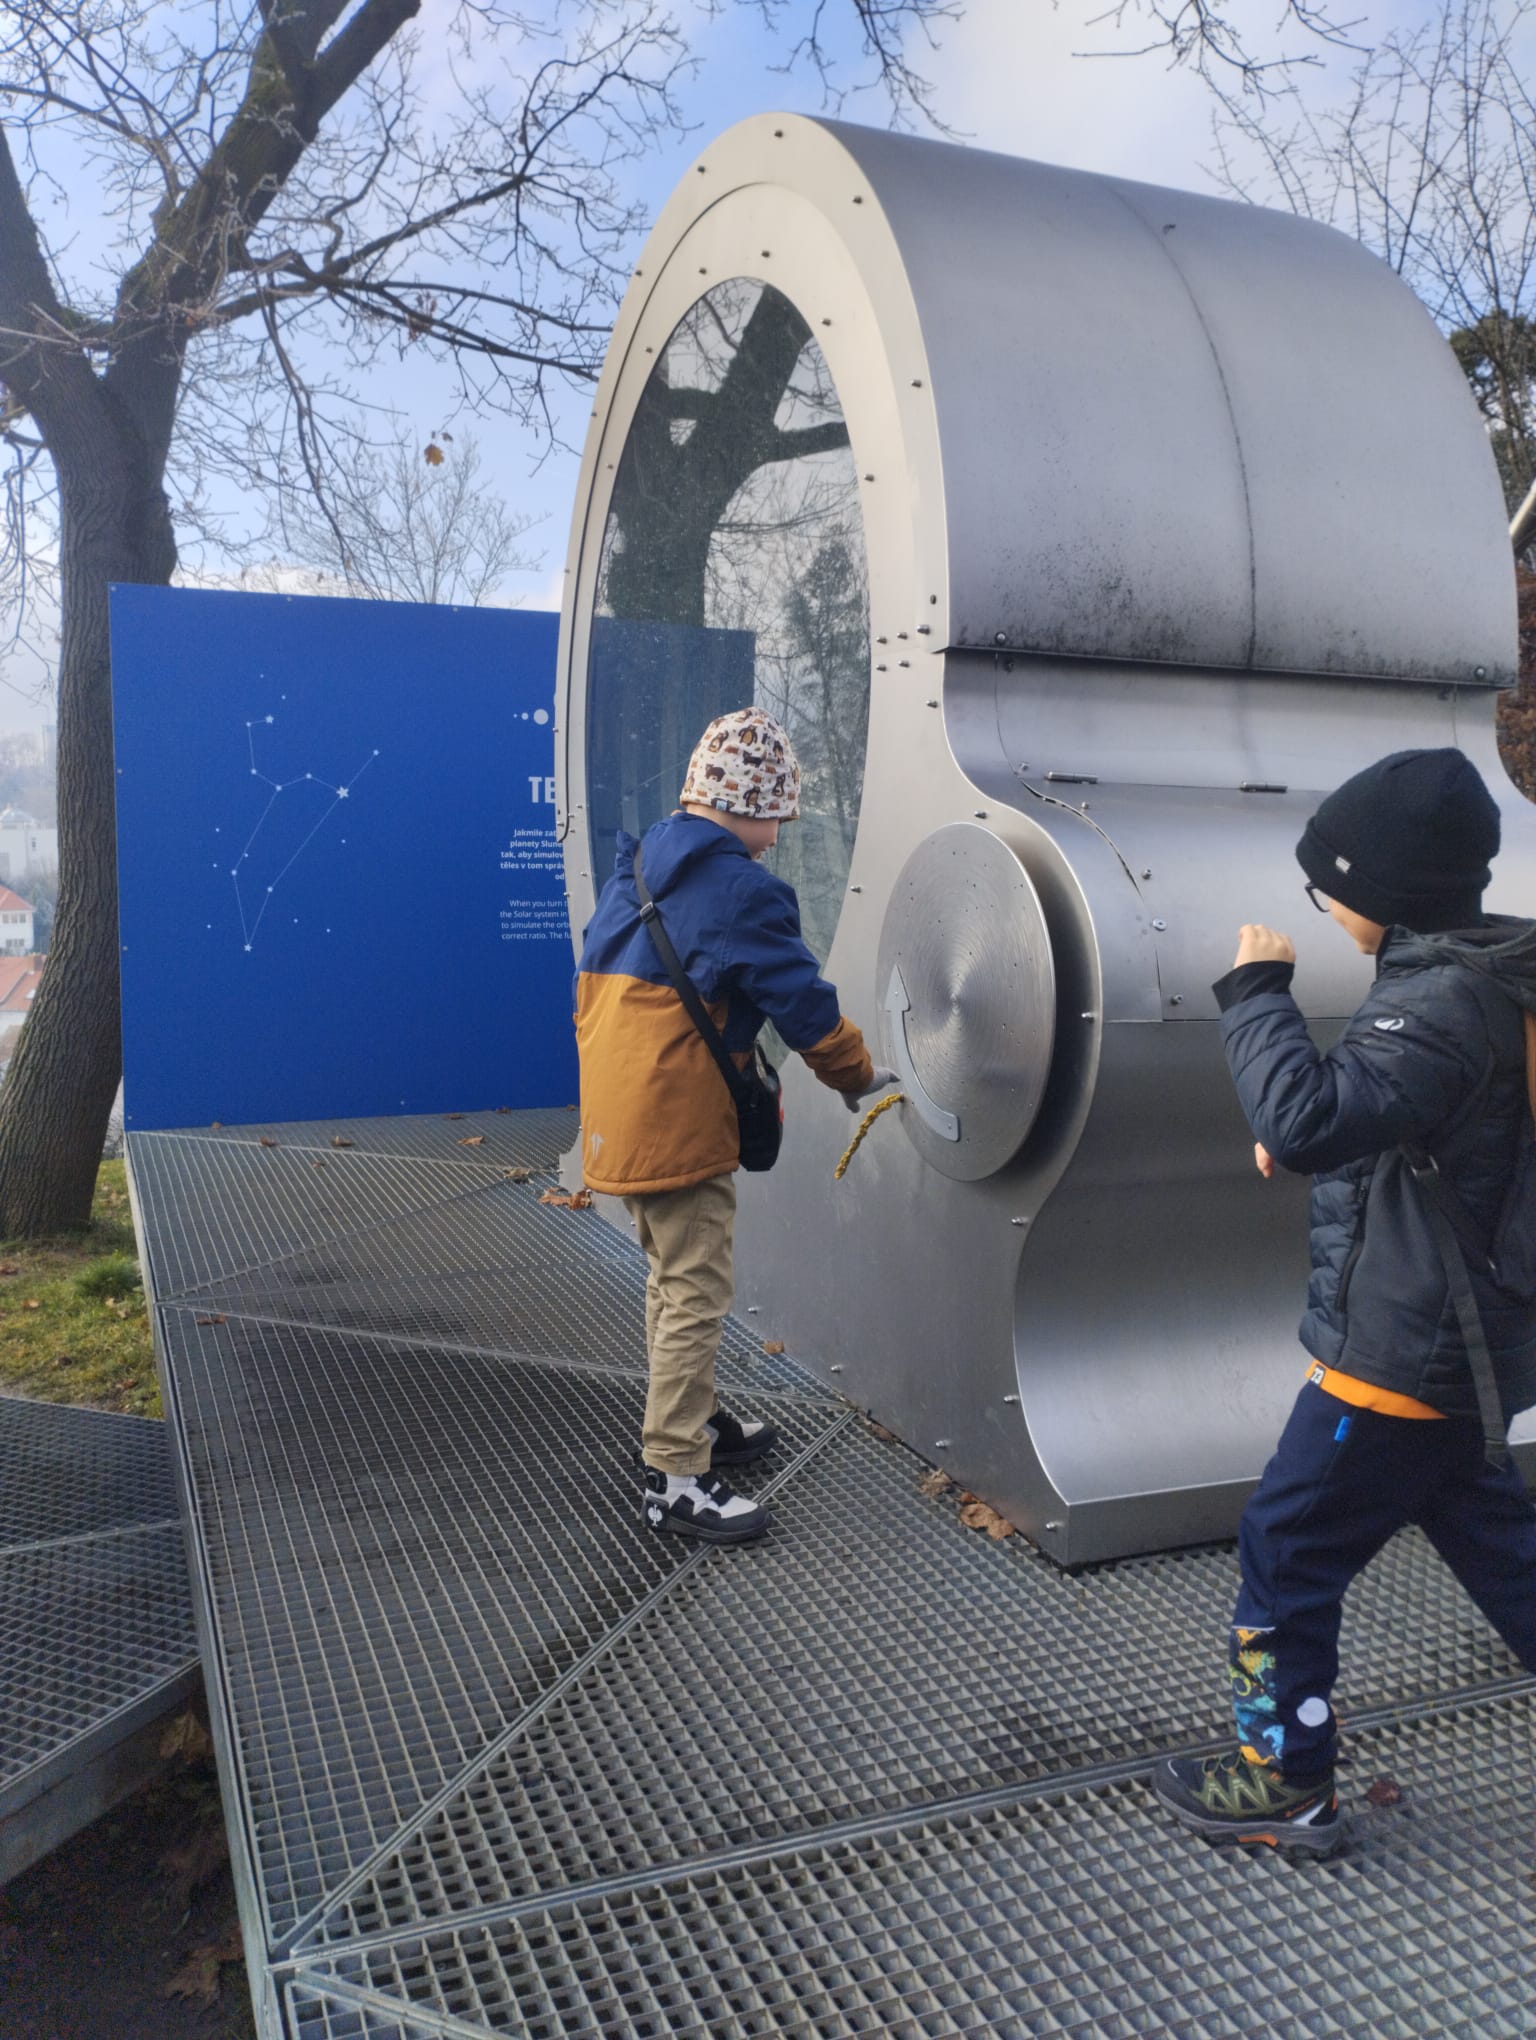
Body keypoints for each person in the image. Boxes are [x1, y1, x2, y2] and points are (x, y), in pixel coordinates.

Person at [1153, 747, 1536, 1856]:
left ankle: (1286, 1781)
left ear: (1386, 891)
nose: (1320, 906)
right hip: (1458, 1345)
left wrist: (1256, 995)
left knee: (1286, 1546)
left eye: (1328, 886)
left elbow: (1309, 1117)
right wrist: (1333, 1139)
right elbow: (1445, 1131)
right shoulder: (1486, 975)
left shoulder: (1439, 999)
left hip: (1399, 1355)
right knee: (1502, 1550)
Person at [574, 707, 895, 1544]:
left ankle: (695, 1418)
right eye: (775, 816)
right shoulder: (741, 890)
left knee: (670, 1277)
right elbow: (804, 1006)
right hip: (677, 1122)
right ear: (743, 805)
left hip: (621, 1112)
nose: (777, 837)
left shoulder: (640, 867)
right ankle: (677, 1475)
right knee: (696, 1290)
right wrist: (858, 1076)